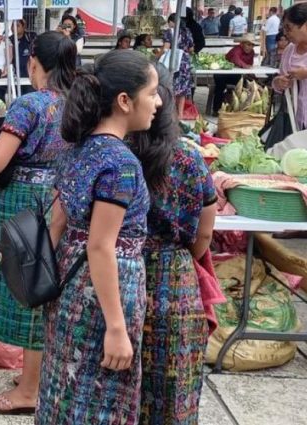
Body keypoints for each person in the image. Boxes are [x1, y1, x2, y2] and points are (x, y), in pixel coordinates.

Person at [0, 31, 78, 415]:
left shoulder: (29, 105)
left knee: (28, 289)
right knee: (47, 287)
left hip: (27, 203)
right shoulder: (78, 103)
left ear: (32, 63)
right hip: (63, 201)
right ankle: (36, 374)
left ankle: (29, 391)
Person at [39, 49, 160, 424]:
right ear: (124, 101)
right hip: (104, 295)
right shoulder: (121, 164)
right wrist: (117, 327)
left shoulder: (78, 149)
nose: (157, 103)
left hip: (70, 286)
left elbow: (56, 222)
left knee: (64, 391)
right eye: (152, 92)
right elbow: (101, 245)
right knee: (101, 399)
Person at [131, 62, 217, 425]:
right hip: (176, 277)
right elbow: (205, 234)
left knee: (124, 379)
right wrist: (181, 255)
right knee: (174, 381)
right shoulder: (189, 157)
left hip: (124, 270)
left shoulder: (118, 152)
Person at [273, 3, 307, 131]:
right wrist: (278, 82)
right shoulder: (290, 50)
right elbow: (279, 81)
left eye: (289, 28)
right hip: (295, 120)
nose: (286, 33)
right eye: (284, 28)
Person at [212, 34, 256, 115]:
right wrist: (245, 66)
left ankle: (242, 110)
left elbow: (250, 65)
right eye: (248, 44)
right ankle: (216, 110)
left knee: (248, 84)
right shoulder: (236, 50)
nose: (250, 47)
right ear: (242, 44)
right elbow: (236, 60)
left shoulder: (252, 52)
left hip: (237, 75)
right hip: (223, 74)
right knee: (220, 87)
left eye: (252, 45)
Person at [164, 13, 195, 115]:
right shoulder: (188, 31)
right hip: (185, 62)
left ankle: (171, 113)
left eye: (169, 22)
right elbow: (191, 49)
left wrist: (156, 57)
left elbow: (165, 48)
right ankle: (180, 114)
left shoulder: (170, 32)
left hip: (174, 61)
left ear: (172, 22)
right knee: (183, 89)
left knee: (171, 87)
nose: (168, 25)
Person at [10, 20, 37, 95]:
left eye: (17, 25)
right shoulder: (9, 40)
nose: (14, 28)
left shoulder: (31, 38)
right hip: (15, 76)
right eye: (13, 25)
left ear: (23, 27)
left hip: (29, 75)